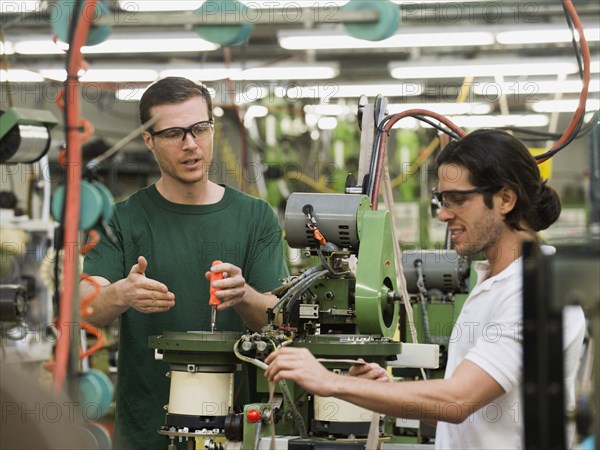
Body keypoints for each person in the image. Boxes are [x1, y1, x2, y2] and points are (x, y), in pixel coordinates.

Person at [265, 129, 586, 449]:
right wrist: (384, 391)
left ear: (505, 199)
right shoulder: (492, 281)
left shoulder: (535, 291)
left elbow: (460, 400)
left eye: (457, 199)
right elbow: (472, 414)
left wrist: (330, 382)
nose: (444, 214)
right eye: (441, 200)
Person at [81, 76, 289, 450]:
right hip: (146, 430)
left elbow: (280, 322)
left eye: (200, 129)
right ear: (149, 140)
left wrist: (243, 296)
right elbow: (84, 305)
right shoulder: (121, 220)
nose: (190, 144)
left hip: (238, 429)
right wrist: (121, 293)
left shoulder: (256, 217)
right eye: (174, 133)